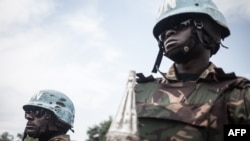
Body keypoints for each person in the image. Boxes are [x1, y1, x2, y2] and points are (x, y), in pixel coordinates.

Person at [133, 0, 250, 140]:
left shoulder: (237, 94)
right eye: (163, 32)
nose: (169, 32)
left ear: (210, 32)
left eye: (181, 24)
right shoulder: (139, 92)